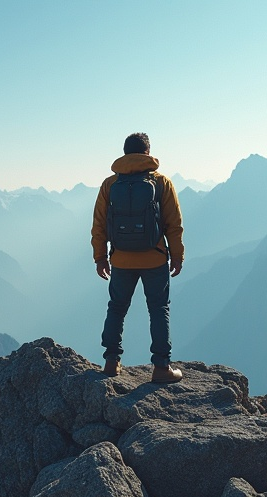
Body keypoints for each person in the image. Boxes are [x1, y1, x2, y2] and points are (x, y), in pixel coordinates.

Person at [91, 132, 184, 383]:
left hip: (121, 259)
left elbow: (99, 225)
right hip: (154, 258)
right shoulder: (161, 182)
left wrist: (100, 258)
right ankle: (162, 368)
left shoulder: (110, 185)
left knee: (117, 308)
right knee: (158, 309)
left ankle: (111, 362)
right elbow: (173, 224)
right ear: (147, 152)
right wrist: (177, 256)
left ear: (125, 153)